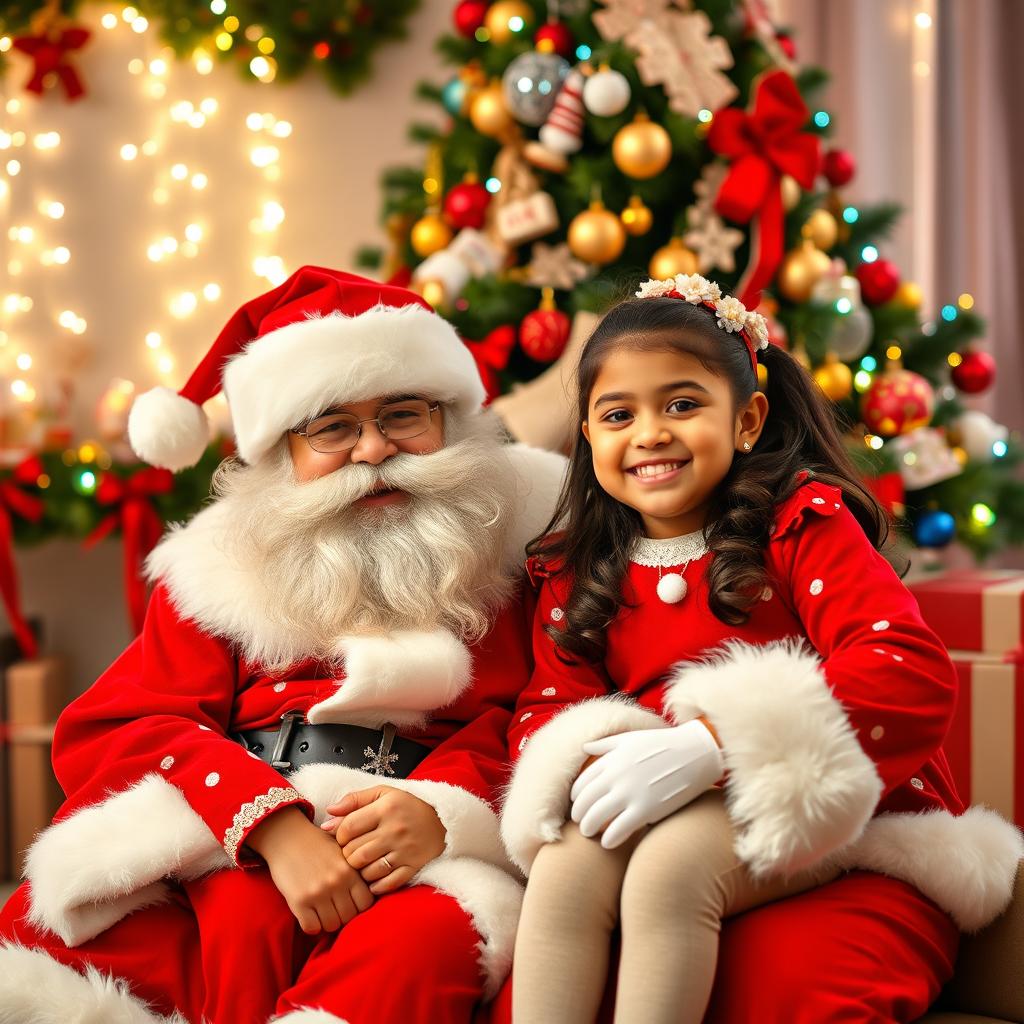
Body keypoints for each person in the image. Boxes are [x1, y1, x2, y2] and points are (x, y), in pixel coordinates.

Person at [0, 266, 566, 1024]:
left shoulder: (517, 548)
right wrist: (266, 822)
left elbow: (542, 712)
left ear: (449, 415)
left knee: (433, 942)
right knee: (64, 948)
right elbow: (130, 724)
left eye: (403, 413)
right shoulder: (219, 567)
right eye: (332, 427)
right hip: (224, 836)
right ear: (283, 452)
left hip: (416, 853)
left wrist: (441, 810)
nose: (373, 450)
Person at [498, 274, 1023, 1024]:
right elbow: (549, 710)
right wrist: (599, 763)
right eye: (618, 414)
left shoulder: (800, 525)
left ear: (746, 420)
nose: (649, 433)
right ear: (588, 434)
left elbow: (901, 669)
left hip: (835, 804)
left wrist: (716, 746)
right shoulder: (573, 569)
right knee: (564, 873)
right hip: (663, 805)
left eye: (682, 404)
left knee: (672, 874)